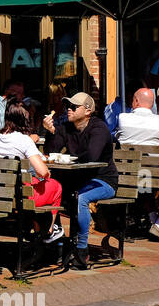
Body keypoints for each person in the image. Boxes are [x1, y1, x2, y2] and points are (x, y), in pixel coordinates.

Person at [43, 91, 117, 270]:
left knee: (81, 198)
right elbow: (51, 151)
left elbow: (92, 155)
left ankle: (81, 250)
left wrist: (70, 157)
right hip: (78, 179)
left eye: (74, 107)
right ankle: (57, 238)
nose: (69, 109)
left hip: (103, 181)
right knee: (52, 191)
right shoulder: (66, 127)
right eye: (69, 106)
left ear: (88, 110)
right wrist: (51, 132)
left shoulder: (98, 128)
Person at [0, 102, 63, 242]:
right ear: (23, 120)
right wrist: (46, 173)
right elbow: (42, 172)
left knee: (33, 186)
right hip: (21, 197)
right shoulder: (24, 140)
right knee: (55, 186)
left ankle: (38, 227)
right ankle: (49, 230)